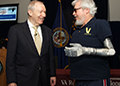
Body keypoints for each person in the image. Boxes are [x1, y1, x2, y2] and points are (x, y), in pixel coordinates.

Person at [64, 0, 116, 86]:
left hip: (96, 79)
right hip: (78, 79)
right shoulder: (76, 31)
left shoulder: (99, 24)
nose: (73, 13)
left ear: (87, 10)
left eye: (76, 10)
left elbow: (111, 51)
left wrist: (85, 50)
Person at [6, 1, 56, 86]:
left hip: (44, 80)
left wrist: (52, 74)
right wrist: (11, 81)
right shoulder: (16, 31)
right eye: (41, 12)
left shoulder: (47, 31)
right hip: (24, 80)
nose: (44, 15)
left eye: (44, 12)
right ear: (30, 12)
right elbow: (10, 59)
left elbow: (50, 56)